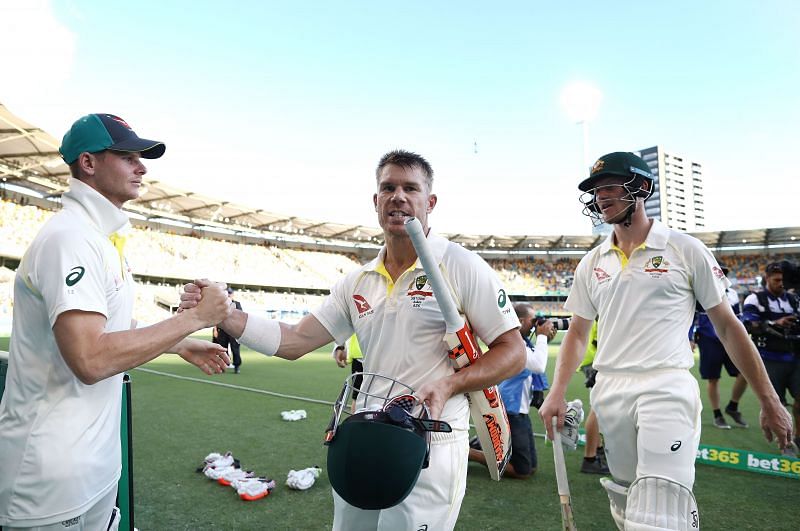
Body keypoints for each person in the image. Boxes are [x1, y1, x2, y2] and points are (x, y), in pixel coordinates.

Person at [181, 149, 524, 530]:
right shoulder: (357, 281)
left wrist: (450, 384)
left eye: (411, 188)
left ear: (431, 202)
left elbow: (513, 353)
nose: (399, 196)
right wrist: (224, 313)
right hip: (366, 433)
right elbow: (293, 341)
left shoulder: (460, 265)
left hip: (431, 441)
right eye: (388, 188)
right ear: (376, 201)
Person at [0, 114, 232, 529]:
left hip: (93, 467)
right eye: (128, 156)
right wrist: (194, 319)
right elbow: (90, 359)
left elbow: (108, 329)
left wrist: (178, 343)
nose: (142, 167)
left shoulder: (99, 238)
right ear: (88, 163)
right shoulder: (70, 238)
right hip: (51, 477)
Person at [539, 151, 793, 530]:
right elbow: (577, 333)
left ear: (641, 188)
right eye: (595, 190)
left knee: (660, 506)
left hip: (666, 386)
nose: (600, 196)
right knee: (626, 500)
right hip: (609, 389)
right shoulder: (592, 262)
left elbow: (728, 327)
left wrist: (770, 400)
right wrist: (557, 391)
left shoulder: (685, 249)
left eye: (609, 186)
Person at [468, 302, 554, 478]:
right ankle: (468, 452)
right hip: (510, 409)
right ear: (521, 321)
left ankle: (483, 442)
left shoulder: (525, 343)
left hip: (519, 410)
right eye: (533, 320)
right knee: (522, 471)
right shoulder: (516, 346)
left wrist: (543, 337)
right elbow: (538, 365)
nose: (536, 323)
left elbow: (536, 357)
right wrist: (542, 336)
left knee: (532, 468)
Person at [742, 261, 800, 455]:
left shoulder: (793, 300)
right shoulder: (754, 299)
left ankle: (797, 438)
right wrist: (775, 323)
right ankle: (785, 443)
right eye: (777, 280)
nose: (781, 283)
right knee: (777, 404)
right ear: (767, 278)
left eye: (783, 280)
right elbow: (748, 325)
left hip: (794, 356)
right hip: (769, 358)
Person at [690, 267, 749, 429]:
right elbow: (692, 316)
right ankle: (717, 414)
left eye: (722, 272)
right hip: (709, 340)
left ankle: (732, 407)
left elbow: (738, 319)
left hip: (730, 340)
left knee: (744, 374)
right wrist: (691, 338)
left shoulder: (733, 294)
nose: (718, 274)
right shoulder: (700, 292)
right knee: (713, 378)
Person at [578, 318, 609, 475]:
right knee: (598, 408)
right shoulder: (603, 310)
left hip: (593, 360)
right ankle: (590, 459)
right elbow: (602, 342)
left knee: (598, 407)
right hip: (596, 362)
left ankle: (597, 450)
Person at [213, 287, 243, 373]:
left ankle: (237, 366)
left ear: (232, 294)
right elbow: (216, 318)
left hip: (233, 331)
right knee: (222, 349)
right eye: (227, 293)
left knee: (235, 349)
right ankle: (223, 366)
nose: (229, 295)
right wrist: (215, 329)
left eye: (230, 293)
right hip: (222, 330)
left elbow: (240, 318)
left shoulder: (237, 304)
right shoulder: (220, 304)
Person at [332, 334, 364, 408]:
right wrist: (340, 346)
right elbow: (342, 324)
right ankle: (357, 419)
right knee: (358, 397)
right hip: (360, 357)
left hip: (388, 356)